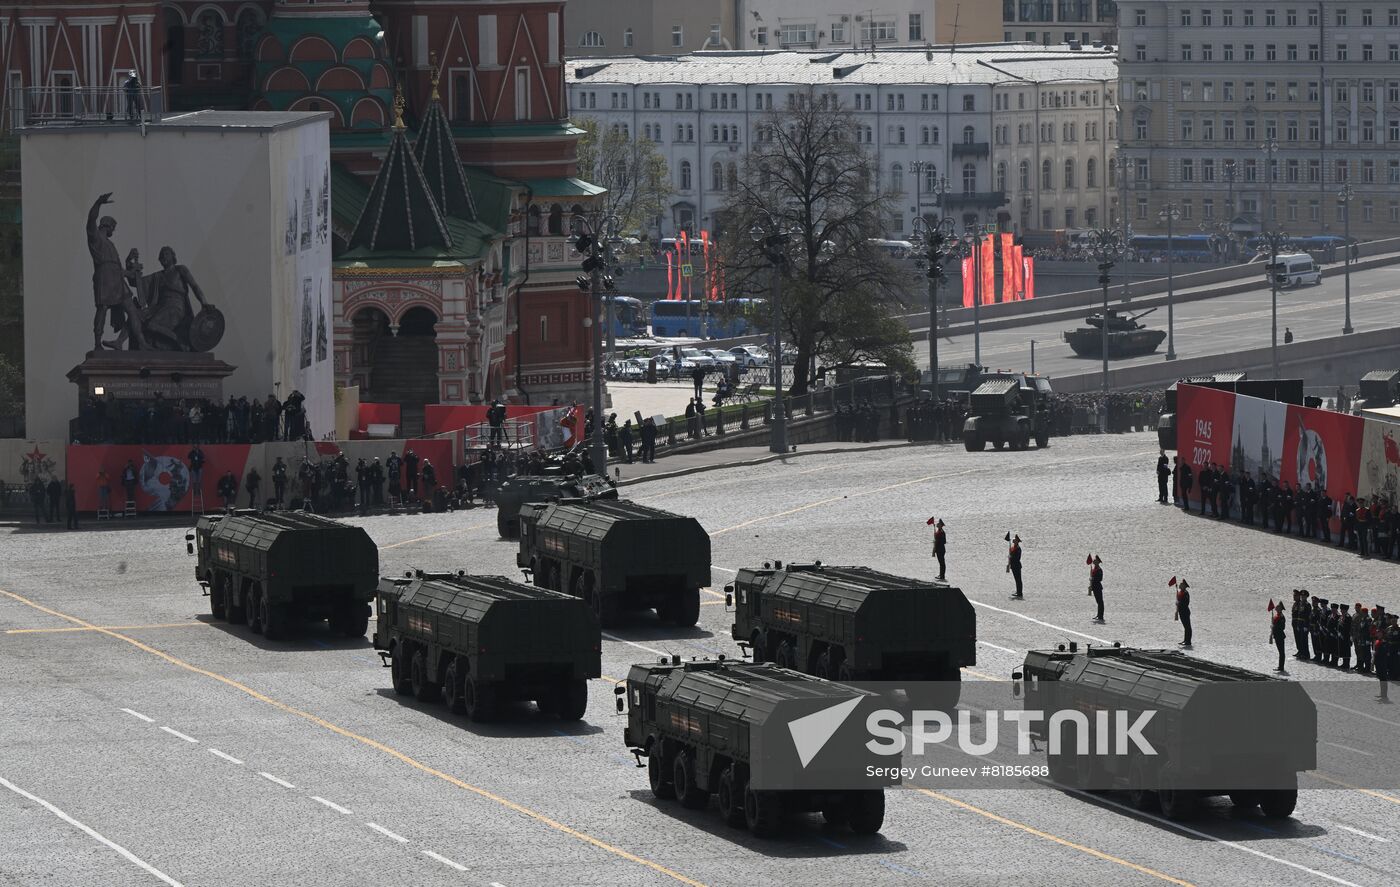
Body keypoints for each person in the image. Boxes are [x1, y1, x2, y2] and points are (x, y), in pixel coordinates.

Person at [1173, 577, 1192, 647]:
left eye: (1181, 584)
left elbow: (1185, 603)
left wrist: (1179, 603)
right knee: (1185, 627)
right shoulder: (1181, 592)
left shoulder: (1185, 593)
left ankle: (1188, 641)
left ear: (1184, 586)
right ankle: (1185, 640)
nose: (1180, 585)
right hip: (1181, 612)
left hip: (1185, 612)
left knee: (1187, 627)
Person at [1270, 600, 1287, 673]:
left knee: (1281, 652)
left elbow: (1282, 627)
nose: (1276, 608)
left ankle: (1281, 667)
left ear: (1281, 609)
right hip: (1276, 635)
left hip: (1280, 635)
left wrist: (1274, 626)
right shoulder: (1277, 616)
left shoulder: (1281, 617)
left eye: (1278, 607)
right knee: (1280, 651)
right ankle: (1280, 666)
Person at [1005, 532, 1023, 600]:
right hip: (1013, 566)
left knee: (1018, 580)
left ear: (1017, 541)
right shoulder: (1013, 548)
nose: (1013, 541)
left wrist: (1011, 557)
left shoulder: (1018, 549)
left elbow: (1017, 558)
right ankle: (1018, 591)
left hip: (1017, 566)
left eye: (1015, 540)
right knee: (1016, 579)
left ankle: (1019, 592)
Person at [1088, 554, 1105, 623]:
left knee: (1100, 602)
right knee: (1098, 602)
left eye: (1095, 561)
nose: (1093, 561)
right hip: (1095, 587)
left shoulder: (1099, 570)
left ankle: (1101, 616)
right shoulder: (1094, 569)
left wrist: (1093, 578)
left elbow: (1100, 579)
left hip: (1098, 587)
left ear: (1098, 562)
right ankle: (1098, 614)